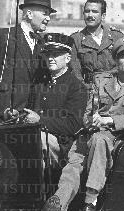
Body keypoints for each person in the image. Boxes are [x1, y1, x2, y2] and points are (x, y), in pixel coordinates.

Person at [42, 36, 124, 211]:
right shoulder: (101, 81)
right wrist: (91, 121)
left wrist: (109, 120)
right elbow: (88, 112)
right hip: (93, 134)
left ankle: (90, 202)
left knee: (100, 140)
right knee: (75, 160)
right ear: (116, 60)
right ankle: (59, 203)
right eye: (123, 56)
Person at [0, 0, 53, 126]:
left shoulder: (44, 45)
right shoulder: (4, 37)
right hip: (4, 114)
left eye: (49, 14)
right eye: (45, 13)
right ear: (29, 14)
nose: (48, 18)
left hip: (32, 117)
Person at [22, 33, 88, 172]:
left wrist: (40, 120)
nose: (51, 58)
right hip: (38, 136)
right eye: (48, 55)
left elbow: (73, 125)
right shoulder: (40, 83)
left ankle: (41, 189)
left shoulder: (76, 86)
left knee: (36, 140)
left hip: (63, 142)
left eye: (56, 54)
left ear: (68, 58)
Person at [69, 0, 124, 85]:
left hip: (115, 88)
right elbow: (75, 72)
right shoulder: (76, 39)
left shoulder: (117, 37)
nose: (90, 15)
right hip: (89, 89)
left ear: (103, 16)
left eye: (94, 11)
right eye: (87, 11)